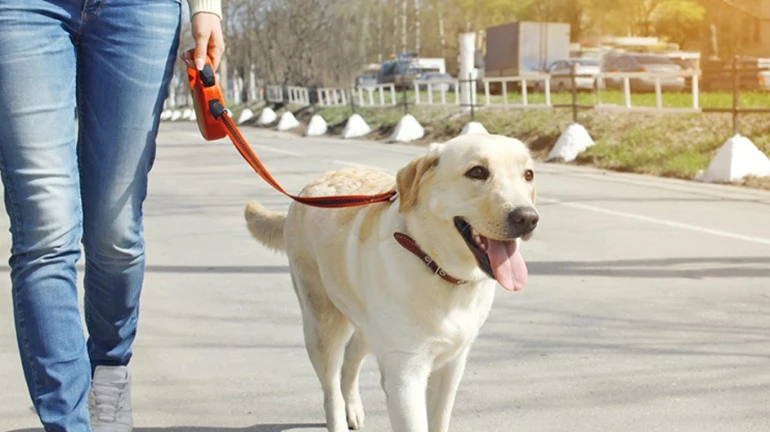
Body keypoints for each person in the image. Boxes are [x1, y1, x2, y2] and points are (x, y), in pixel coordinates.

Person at [0, 0, 224, 430]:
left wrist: (207, 8)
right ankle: (69, 422)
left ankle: (109, 374)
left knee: (115, 231)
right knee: (45, 229)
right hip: (21, 10)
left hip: (139, 10)